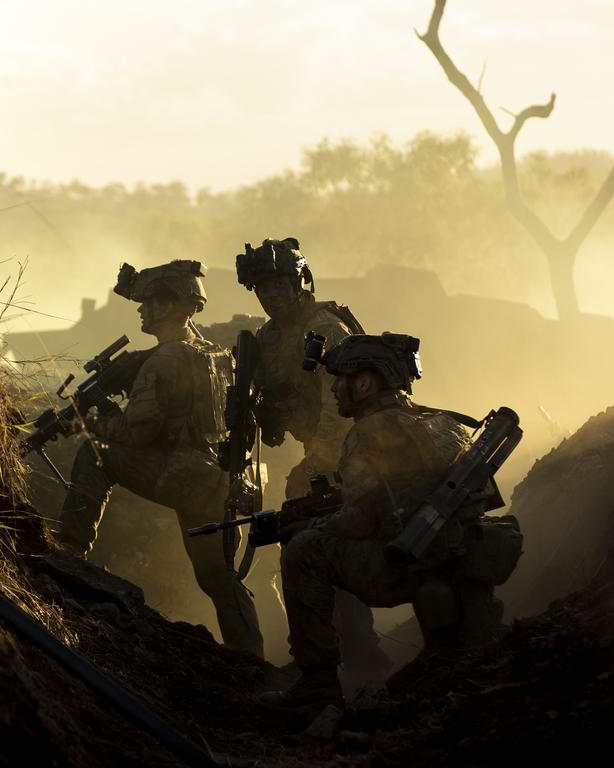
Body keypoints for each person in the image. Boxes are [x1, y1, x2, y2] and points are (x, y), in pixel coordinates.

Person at [264, 332, 515, 709]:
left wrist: (312, 527)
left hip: (403, 563)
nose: (333, 390)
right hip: (454, 550)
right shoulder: (441, 422)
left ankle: (317, 682)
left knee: (303, 552)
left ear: (363, 382)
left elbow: (361, 520)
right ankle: (447, 648)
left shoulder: (368, 431)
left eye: (340, 380)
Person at [55, 260, 264, 657]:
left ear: (170, 306)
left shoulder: (163, 361)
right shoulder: (212, 352)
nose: (141, 310)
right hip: (216, 481)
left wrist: (93, 422)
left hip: (183, 476)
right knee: (218, 577)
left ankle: (69, 551)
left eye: (149, 302)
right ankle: (251, 656)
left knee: (95, 455)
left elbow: (136, 434)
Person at [237, 237, 390, 686]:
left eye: (277, 286)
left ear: (300, 281)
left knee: (326, 549)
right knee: (311, 546)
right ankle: (334, 656)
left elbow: (336, 404)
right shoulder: (270, 336)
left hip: (356, 456)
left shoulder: (326, 328)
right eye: (261, 290)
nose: (269, 297)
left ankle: (355, 655)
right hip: (319, 455)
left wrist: (317, 463)